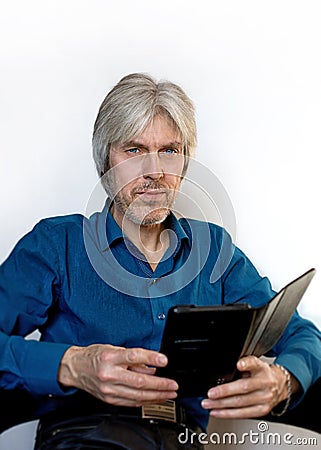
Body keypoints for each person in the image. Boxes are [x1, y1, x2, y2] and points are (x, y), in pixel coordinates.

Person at [0, 73, 320, 449]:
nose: (154, 171)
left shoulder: (214, 250)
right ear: (106, 162)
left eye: (169, 150)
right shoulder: (58, 245)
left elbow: (304, 336)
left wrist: (284, 379)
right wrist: (70, 364)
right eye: (134, 150)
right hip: (85, 434)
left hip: (184, 438)